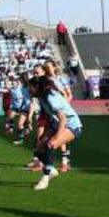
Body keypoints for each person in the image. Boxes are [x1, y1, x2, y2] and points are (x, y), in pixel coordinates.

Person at [31, 63, 83, 191]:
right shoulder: (42, 97)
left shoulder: (50, 98)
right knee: (38, 150)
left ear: (38, 87)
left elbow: (63, 119)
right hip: (58, 124)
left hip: (72, 125)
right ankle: (51, 169)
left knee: (50, 145)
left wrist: (56, 137)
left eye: (31, 87)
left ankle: (45, 178)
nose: (29, 90)